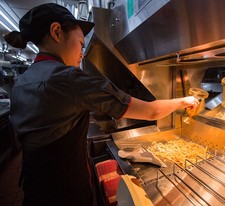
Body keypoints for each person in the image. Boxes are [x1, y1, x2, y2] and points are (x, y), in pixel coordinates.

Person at [4, 3, 199, 206]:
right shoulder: (69, 78)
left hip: (35, 190)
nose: (81, 53)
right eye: (80, 44)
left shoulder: (22, 82)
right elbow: (151, 112)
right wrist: (185, 100)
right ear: (56, 32)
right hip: (67, 193)